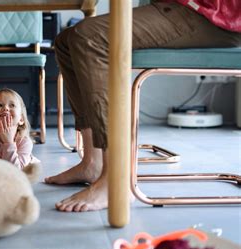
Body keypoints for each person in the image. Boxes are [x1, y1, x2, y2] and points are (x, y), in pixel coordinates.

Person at [45, 0, 241, 212]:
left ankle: (116, 180)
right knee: (66, 41)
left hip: (218, 16)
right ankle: (94, 162)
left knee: (89, 37)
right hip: (191, 7)